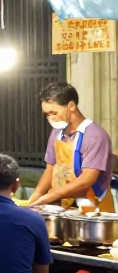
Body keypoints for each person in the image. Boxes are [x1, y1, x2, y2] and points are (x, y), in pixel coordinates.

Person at [28, 81, 114, 210]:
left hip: (93, 207)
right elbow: (50, 169)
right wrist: (35, 196)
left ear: (71, 106)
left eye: (54, 113)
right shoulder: (56, 133)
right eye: (47, 114)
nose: (50, 118)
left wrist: (50, 197)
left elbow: (87, 179)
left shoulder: (95, 136)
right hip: (64, 205)